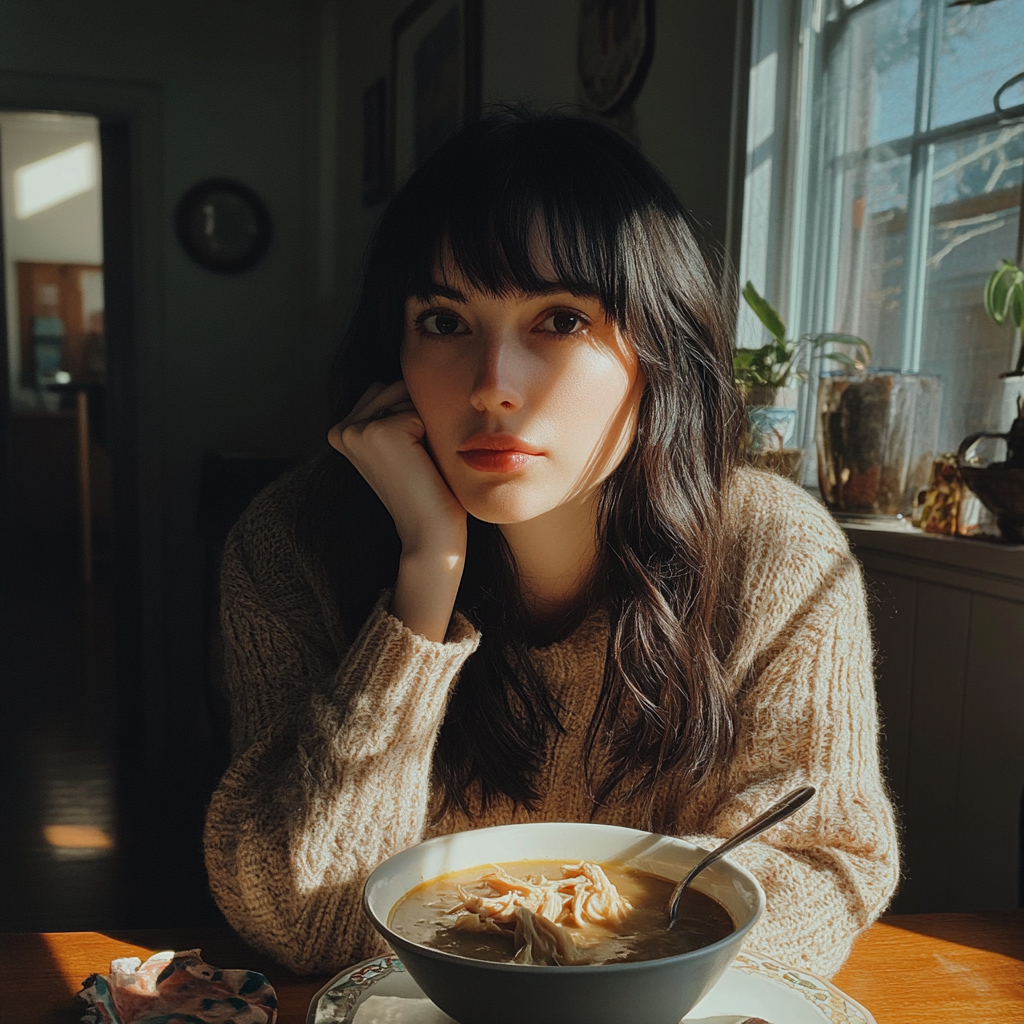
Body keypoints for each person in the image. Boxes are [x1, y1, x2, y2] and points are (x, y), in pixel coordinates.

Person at [203, 110, 898, 979]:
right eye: (445, 322)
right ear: (396, 351)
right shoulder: (290, 542)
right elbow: (306, 927)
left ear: (661, 354)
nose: (495, 387)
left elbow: (825, 862)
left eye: (562, 319)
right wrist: (428, 578)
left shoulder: (777, 552)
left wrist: (577, 942)